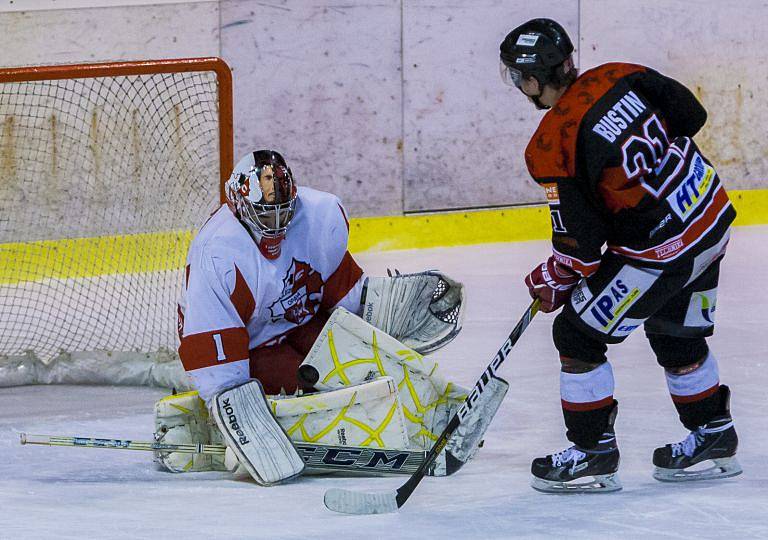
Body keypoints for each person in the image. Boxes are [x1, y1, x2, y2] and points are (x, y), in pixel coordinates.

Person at [499, 19, 741, 492]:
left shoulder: (552, 144)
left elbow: (582, 247)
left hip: (663, 249)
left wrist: (558, 272)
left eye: (515, 76)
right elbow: (691, 116)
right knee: (675, 333)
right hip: (710, 217)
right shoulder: (620, 74)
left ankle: (591, 452)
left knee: (576, 333)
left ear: (531, 79)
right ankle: (713, 432)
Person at [158, 149, 468, 481]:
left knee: (367, 366)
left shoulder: (319, 214)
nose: (276, 225)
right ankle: (203, 428)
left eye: (283, 212)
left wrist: (382, 316)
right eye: (265, 215)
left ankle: (437, 408)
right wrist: (237, 419)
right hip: (252, 346)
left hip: (302, 321)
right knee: (325, 399)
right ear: (239, 204)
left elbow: (340, 291)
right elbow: (216, 358)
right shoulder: (218, 255)